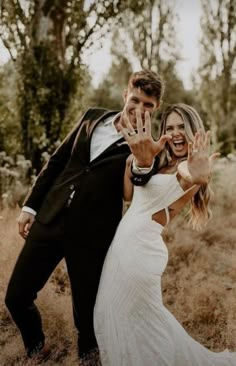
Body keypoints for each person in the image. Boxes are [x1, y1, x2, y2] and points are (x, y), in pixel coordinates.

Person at [5, 69, 171, 363]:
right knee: (16, 297)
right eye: (136, 100)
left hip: (93, 236)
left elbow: (135, 186)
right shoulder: (92, 116)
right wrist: (30, 207)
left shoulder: (146, 147)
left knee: (88, 316)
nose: (139, 109)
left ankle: (89, 358)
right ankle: (37, 348)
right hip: (50, 218)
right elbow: (57, 161)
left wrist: (142, 163)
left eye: (148, 104)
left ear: (155, 108)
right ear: (125, 94)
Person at [94, 103, 236, 366]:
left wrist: (197, 173)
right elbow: (128, 195)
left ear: (193, 130)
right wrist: (136, 159)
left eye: (182, 126)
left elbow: (189, 175)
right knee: (113, 314)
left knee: (141, 325)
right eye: (170, 128)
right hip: (122, 248)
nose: (176, 132)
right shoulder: (159, 162)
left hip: (140, 251)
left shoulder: (187, 168)